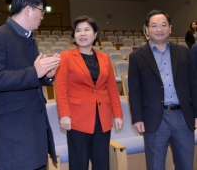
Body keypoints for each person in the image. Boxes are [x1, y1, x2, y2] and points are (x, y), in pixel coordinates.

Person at [0, 0, 60, 170]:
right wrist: (35, 72)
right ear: (28, 10)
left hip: (34, 135)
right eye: (41, 11)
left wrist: (46, 76)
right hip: (12, 140)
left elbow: (30, 79)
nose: (42, 16)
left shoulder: (30, 39)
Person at [128, 9, 197, 170]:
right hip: (154, 118)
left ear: (170, 28)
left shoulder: (183, 52)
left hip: (183, 117)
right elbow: (134, 90)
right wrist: (137, 118)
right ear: (146, 29)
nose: (159, 29)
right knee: (155, 165)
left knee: (186, 165)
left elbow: (193, 84)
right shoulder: (137, 56)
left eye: (163, 25)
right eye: (154, 25)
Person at [55, 16, 124, 170]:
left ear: (95, 34)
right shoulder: (66, 57)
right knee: (79, 164)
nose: (82, 33)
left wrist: (118, 114)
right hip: (77, 119)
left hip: (102, 119)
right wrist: (64, 114)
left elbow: (112, 88)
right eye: (78, 30)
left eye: (87, 30)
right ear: (74, 35)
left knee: (102, 163)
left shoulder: (104, 58)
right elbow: (60, 88)